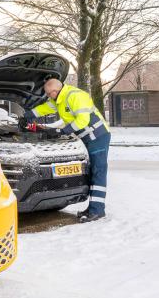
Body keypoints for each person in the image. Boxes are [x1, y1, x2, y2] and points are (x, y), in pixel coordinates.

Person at [23, 79, 110, 222]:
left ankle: (97, 211)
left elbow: (83, 120)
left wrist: (62, 131)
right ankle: (93, 208)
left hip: (98, 136)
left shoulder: (75, 96)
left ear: (54, 92)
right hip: (87, 138)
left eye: (48, 94)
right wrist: (27, 115)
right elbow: (45, 108)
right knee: (91, 172)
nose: (48, 96)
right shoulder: (59, 99)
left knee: (98, 171)